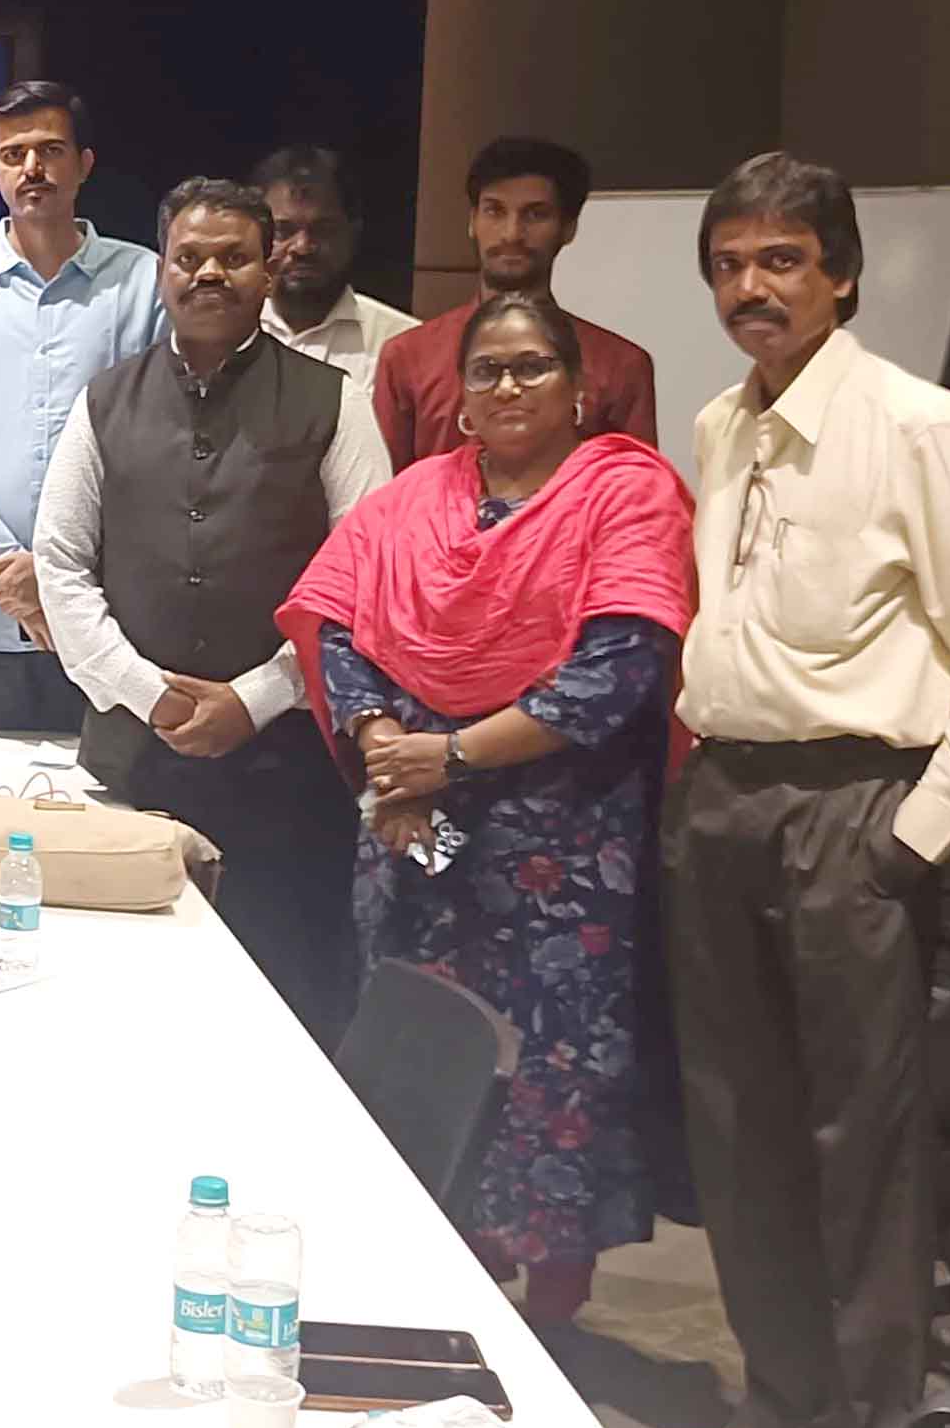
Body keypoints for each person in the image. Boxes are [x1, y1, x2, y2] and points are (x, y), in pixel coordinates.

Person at [636, 153, 950, 1428]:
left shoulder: (919, 424)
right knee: (738, 1128)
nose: (752, 287)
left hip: (852, 807)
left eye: (782, 260)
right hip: (727, 796)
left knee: (857, 1148)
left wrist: (914, 834)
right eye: (730, 262)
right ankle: (778, 1409)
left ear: (843, 273)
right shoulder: (721, 422)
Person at [280, 293, 695, 1324]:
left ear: (578, 387)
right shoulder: (414, 499)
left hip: (560, 844)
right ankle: (425, 1272)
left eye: (532, 366)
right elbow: (338, 621)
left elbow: (621, 666)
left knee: (555, 1063)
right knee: (417, 1047)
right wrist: (383, 741)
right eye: (487, 369)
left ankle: (551, 1302)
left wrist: (450, 754)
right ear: (460, 396)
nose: (508, 385)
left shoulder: (625, 493)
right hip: (414, 829)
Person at [34, 177, 391, 1046]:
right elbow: (60, 562)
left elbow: (364, 576)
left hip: (285, 772)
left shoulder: (334, 400)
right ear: (161, 270)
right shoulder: (105, 398)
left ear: (268, 271)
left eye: (233, 257)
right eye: (189, 257)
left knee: (284, 1009)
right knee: (119, 1007)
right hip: (132, 763)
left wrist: (256, 698)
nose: (209, 274)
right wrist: (146, 691)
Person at [0, 81, 162, 736]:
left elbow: (159, 446)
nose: (33, 168)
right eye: (14, 155)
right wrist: (9, 569)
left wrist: (59, 577)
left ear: (85, 164)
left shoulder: (144, 281)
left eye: (51, 150)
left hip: (108, 617)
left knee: (104, 796)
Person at [371, 136, 657, 467]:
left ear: (569, 228)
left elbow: (639, 491)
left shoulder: (620, 367)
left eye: (535, 214)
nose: (511, 233)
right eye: (494, 211)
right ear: (472, 221)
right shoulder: (408, 358)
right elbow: (382, 491)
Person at [253, 144, 418, 387]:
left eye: (323, 229)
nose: (302, 247)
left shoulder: (405, 343)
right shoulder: (223, 335)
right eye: (283, 231)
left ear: (353, 232)